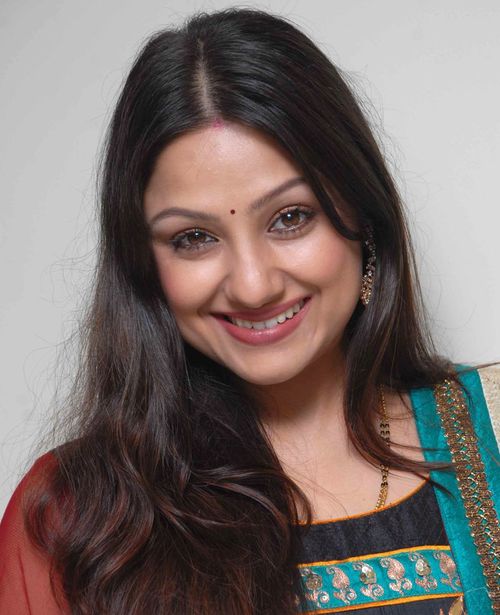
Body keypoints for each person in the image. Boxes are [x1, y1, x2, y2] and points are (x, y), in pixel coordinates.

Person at [0, 7, 498, 615]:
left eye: (291, 218)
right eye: (194, 238)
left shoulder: (493, 432)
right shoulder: (76, 517)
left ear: (364, 221)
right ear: (143, 265)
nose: (253, 285)